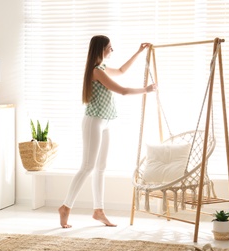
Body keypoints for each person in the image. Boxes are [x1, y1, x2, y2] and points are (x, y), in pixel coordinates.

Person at [58, 35, 157, 228]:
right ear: (101, 49)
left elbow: (120, 71)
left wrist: (138, 52)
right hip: (93, 122)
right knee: (87, 166)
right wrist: (146, 90)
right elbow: (123, 91)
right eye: (110, 48)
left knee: (101, 167)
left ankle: (99, 211)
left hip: (106, 122)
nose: (112, 51)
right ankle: (66, 207)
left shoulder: (102, 68)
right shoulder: (96, 71)